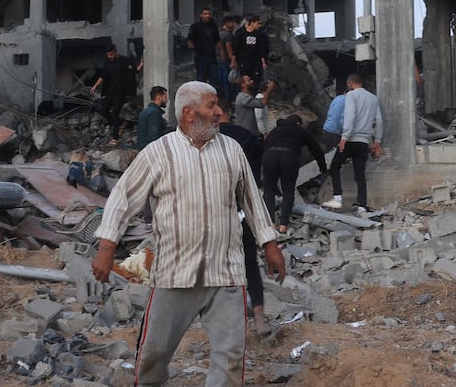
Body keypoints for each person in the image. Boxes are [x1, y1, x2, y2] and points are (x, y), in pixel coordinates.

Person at [92, 81, 285, 385]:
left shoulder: (231, 150)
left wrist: (269, 243)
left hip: (225, 274)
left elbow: (252, 199)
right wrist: (106, 247)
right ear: (188, 113)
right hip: (175, 275)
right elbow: (123, 198)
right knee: (153, 357)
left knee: (231, 358)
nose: (220, 112)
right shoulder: (158, 153)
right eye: (211, 106)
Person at [215, 101, 272, 338]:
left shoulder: (209, 141)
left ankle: (228, 319)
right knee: (250, 263)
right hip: (243, 210)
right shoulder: (248, 137)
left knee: (218, 266)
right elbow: (256, 177)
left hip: (216, 213)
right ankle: (259, 318)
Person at [321, 73, 383, 214]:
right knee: (360, 173)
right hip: (363, 142)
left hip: (350, 140)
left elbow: (350, 116)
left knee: (335, 167)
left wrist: (344, 137)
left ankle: (337, 198)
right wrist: (377, 141)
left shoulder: (351, 95)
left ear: (350, 84)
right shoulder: (373, 98)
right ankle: (362, 205)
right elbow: (379, 120)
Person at [263, 115, 327, 234]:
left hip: (269, 155)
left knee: (269, 189)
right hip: (289, 156)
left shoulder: (275, 130)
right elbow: (315, 148)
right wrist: (322, 167)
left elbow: (265, 144)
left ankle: (270, 223)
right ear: (298, 123)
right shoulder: (299, 130)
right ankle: (283, 225)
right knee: (288, 190)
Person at [92, 44, 137, 145]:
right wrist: (95, 86)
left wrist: (141, 65)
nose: (110, 57)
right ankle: (121, 122)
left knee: (115, 113)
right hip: (109, 92)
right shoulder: (107, 63)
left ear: (115, 52)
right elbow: (103, 76)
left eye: (111, 54)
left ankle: (115, 137)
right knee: (104, 112)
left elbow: (133, 71)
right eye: (108, 55)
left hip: (120, 93)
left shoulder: (124, 61)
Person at [186, 8, 222, 88]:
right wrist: (191, 44)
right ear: (201, 15)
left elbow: (217, 39)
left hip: (212, 56)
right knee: (201, 79)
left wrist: (221, 51)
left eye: (209, 14)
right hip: (200, 56)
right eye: (205, 14)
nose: (208, 16)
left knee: (214, 79)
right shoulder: (196, 26)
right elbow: (190, 38)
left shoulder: (213, 26)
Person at [232, 13, 270, 88]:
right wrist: (233, 61)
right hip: (244, 62)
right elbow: (236, 48)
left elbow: (261, 49)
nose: (259, 25)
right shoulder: (241, 33)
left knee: (256, 81)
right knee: (244, 80)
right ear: (252, 23)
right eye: (257, 23)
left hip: (256, 62)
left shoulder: (259, 35)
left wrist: (263, 62)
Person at [135, 86, 170, 151]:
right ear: (158, 98)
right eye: (165, 97)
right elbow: (155, 137)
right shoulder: (155, 113)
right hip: (150, 151)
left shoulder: (145, 111)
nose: (167, 99)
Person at [218, 14, 239, 99]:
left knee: (220, 81)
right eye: (232, 23)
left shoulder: (219, 33)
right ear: (227, 23)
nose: (234, 25)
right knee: (228, 81)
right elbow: (229, 50)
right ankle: (228, 99)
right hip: (226, 61)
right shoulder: (228, 35)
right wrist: (234, 61)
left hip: (218, 60)